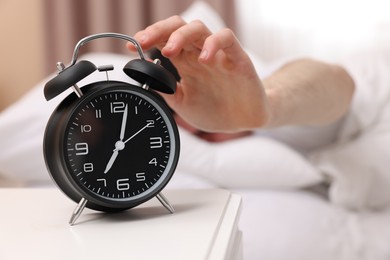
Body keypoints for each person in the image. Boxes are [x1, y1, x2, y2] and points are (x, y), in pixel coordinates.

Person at [127, 15, 355, 138]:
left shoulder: (250, 82)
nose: (185, 129)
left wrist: (270, 105)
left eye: (174, 115)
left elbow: (342, 83)